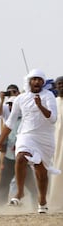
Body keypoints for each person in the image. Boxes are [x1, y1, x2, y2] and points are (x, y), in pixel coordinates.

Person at [0, 69, 59, 214]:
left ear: (43, 82)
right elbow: (9, 123)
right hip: (26, 135)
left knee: (41, 172)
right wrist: (0, 142)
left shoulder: (48, 96)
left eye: (39, 79)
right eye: (33, 79)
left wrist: (40, 106)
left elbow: (53, 118)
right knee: (21, 157)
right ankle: (19, 193)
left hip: (44, 137)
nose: (36, 82)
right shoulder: (20, 98)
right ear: (29, 82)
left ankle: (42, 200)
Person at [0, 96, 37, 208]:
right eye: (9, 105)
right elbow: (5, 137)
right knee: (3, 184)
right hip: (9, 158)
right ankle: (2, 207)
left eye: (12, 105)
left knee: (32, 186)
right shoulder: (8, 122)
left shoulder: (26, 121)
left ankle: (36, 206)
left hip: (23, 160)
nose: (10, 107)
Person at [49, 76, 63, 211]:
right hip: (56, 143)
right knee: (57, 171)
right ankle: (56, 202)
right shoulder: (53, 102)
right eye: (59, 84)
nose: (61, 86)